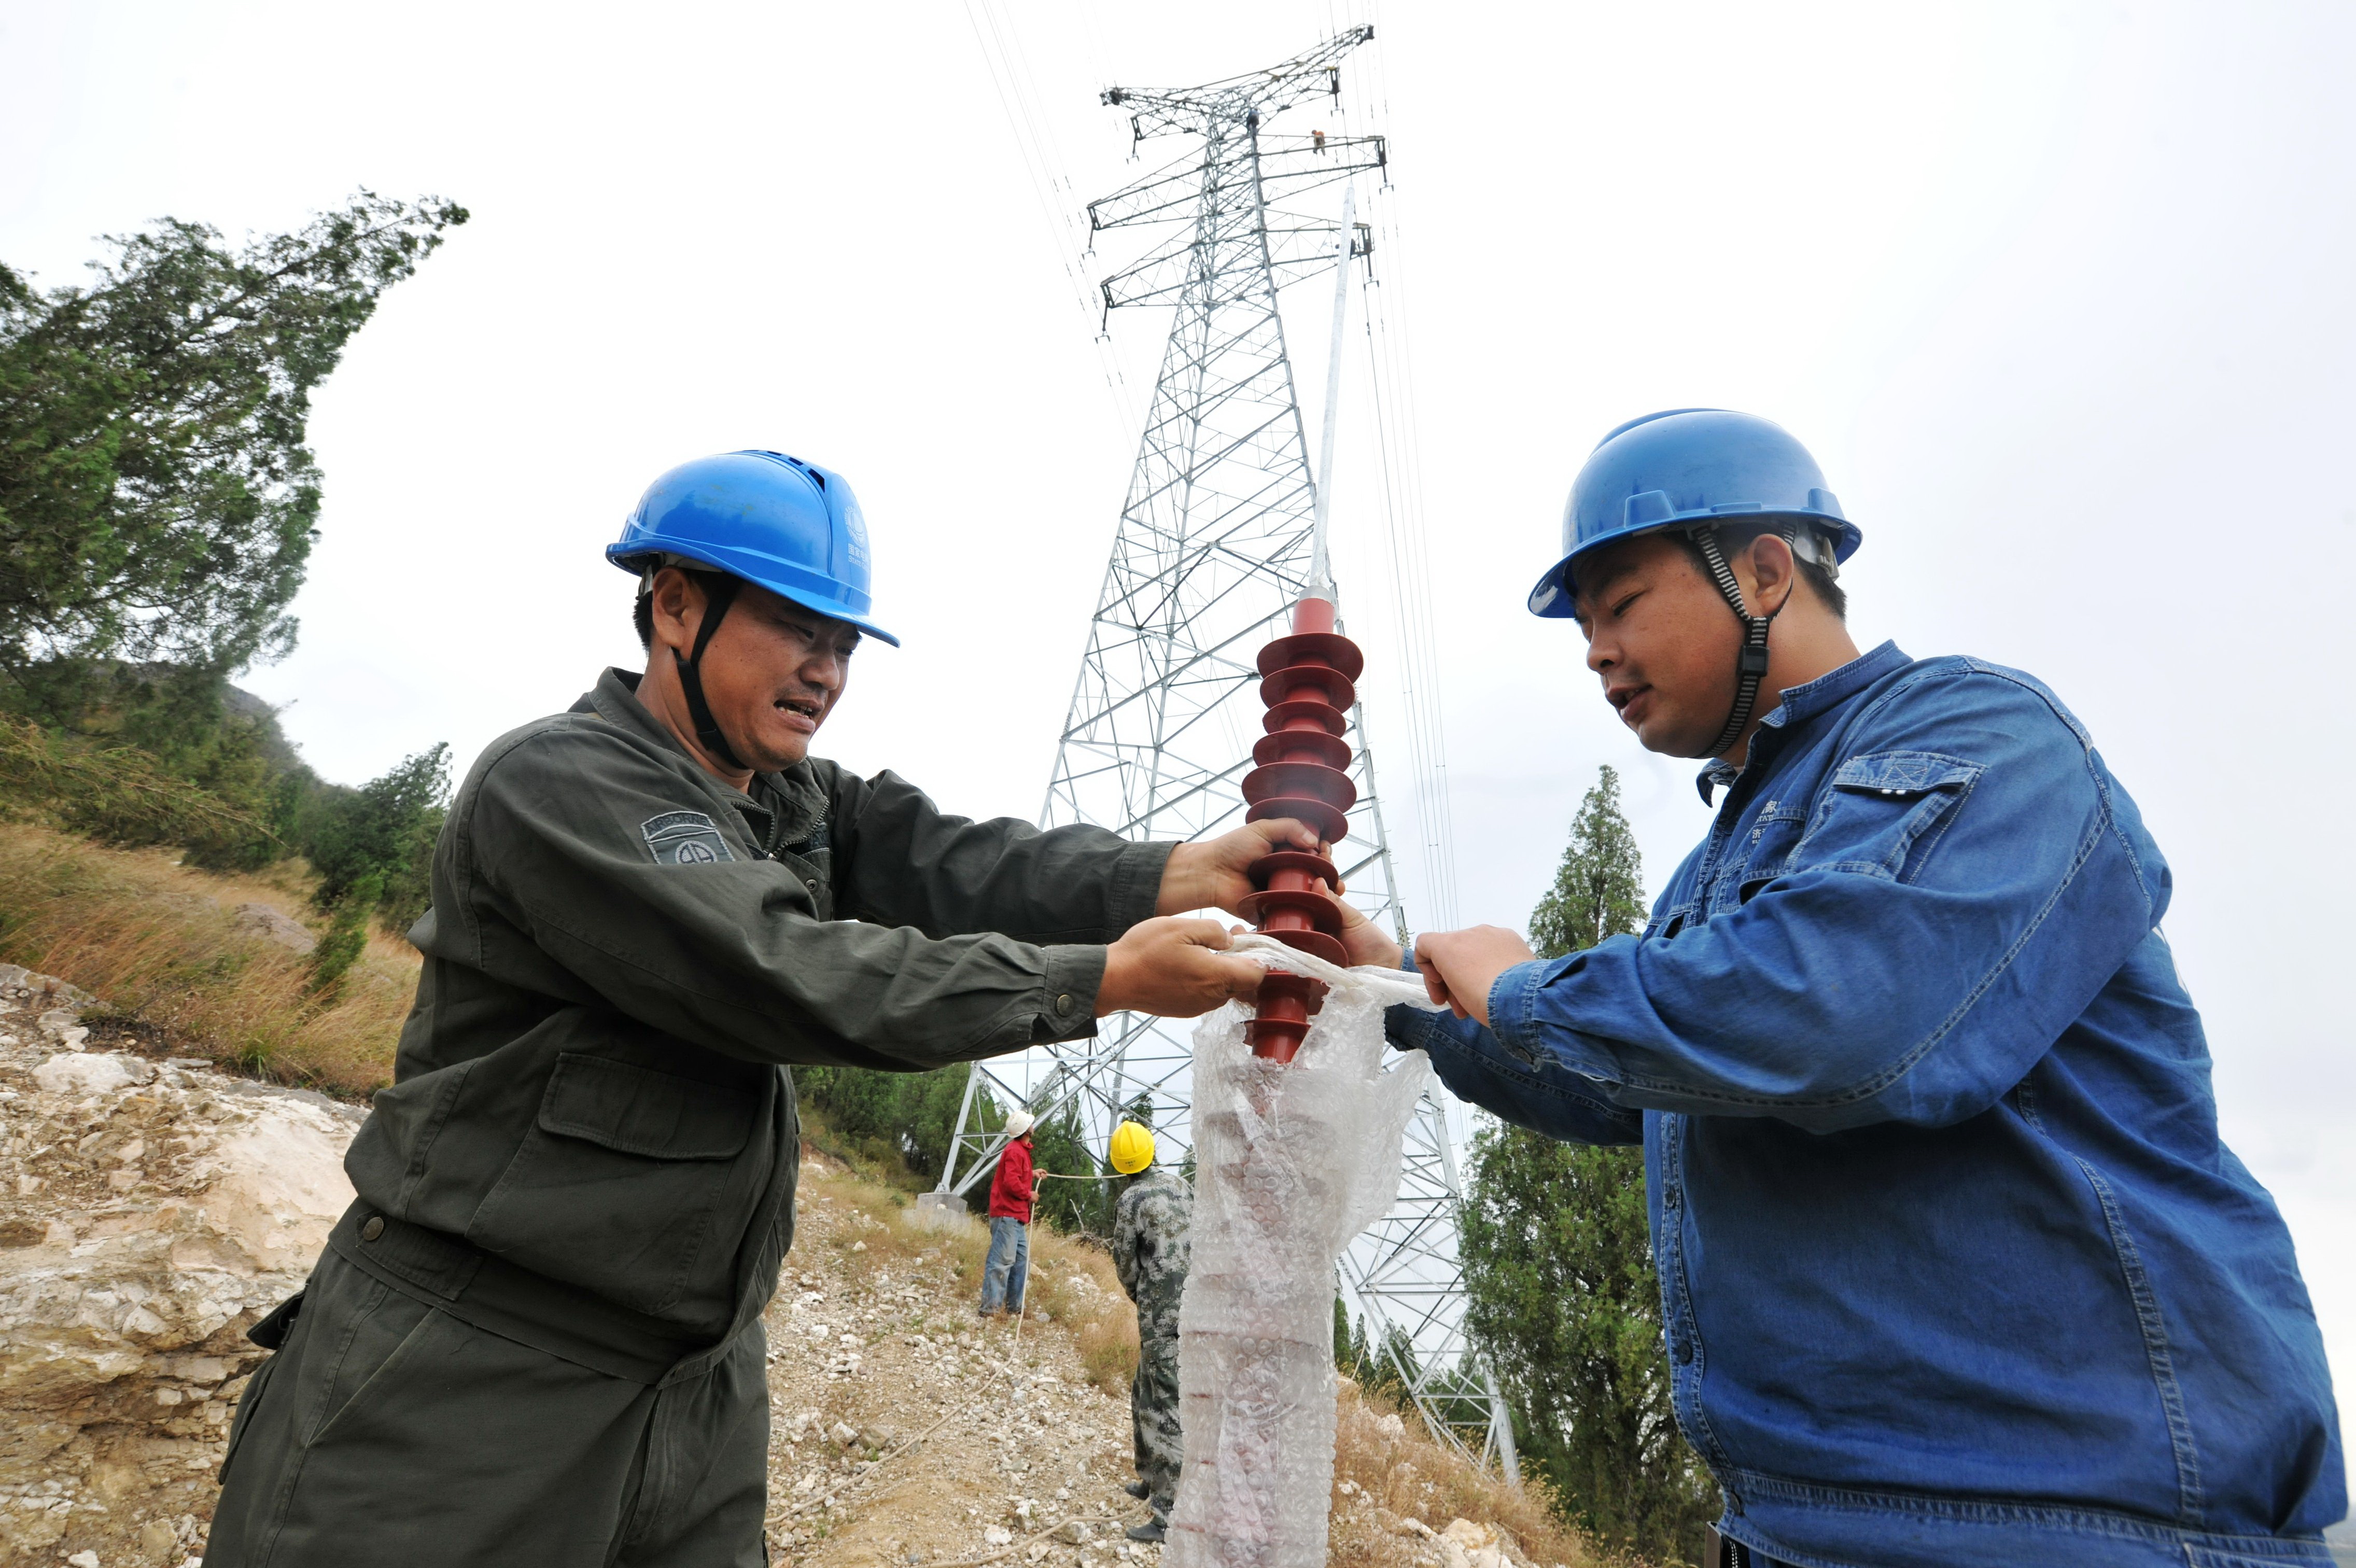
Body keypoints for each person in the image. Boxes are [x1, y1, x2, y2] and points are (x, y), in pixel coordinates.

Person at [207, 449, 1317, 1568]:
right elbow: (779, 968)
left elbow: (956, 862)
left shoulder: (790, 800)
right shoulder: (563, 781)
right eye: (795, 628)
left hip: (698, 1387)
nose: (824, 672)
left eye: (843, 645)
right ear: (675, 605)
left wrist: (1169, 874)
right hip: (473, 1368)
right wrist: (1093, 979)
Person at [1329, 411, 2344, 1568]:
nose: (1596, 651)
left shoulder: (1979, 731)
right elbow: (1633, 1088)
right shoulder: (1722, 859)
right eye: (1585, 627)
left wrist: (1524, 985)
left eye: (1621, 604)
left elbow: (1837, 1013)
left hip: (2069, 1522)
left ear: (1765, 573)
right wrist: (1386, 989)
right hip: (1805, 1523)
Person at [1108, 1119, 1190, 1544]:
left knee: (1165, 1408)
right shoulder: (1180, 1186)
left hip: (1161, 1318)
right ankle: (1149, 1475)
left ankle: (1168, 1514)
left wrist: (1142, 1297)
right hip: (1195, 1308)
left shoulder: (1130, 1200)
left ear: (1120, 1164)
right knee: (1144, 1389)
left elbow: (1125, 1263)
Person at [980, 1110, 1036, 1317]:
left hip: (1016, 1217)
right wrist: (1029, 1194)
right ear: (1026, 1130)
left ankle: (1014, 1308)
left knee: (1021, 1264)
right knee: (1001, 1263)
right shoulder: (1014, 1151)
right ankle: (990, 1310)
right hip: (1007, 1216)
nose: (1033, 1125)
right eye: (1030, 1123)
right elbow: (1011, 1182)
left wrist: (1032, 1174)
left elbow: (1017, 1175)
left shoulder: (1020, 1151)